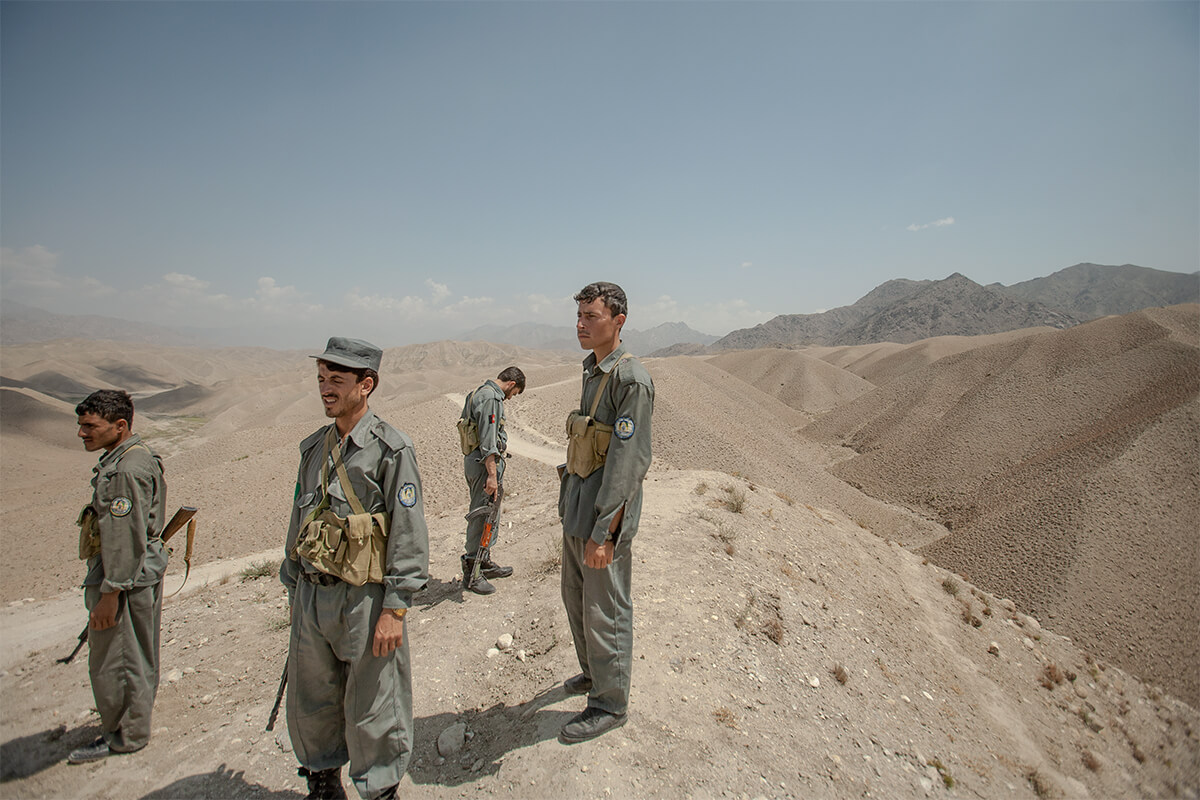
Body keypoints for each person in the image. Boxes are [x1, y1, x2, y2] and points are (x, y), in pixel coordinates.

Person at [280, 337, 429, 800]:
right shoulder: (314, 449)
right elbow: (299, 519)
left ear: (366, 385)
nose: (325, 389)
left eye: (336, 381)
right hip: (312, 596)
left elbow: (408, 533)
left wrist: (395, 609)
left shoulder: (391, 450)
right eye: (321, 379)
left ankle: (380, 787)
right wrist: (293, 585)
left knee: (374, 702)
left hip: (364, 599)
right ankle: (323, 780)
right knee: (313, 699)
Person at [557, 282, 654, 744]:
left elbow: (627, 462)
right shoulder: (593, 370)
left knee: (605, 609)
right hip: (578, 509)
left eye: (591, 316)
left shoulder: (629, 380)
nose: (581, 324)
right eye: (579, 315)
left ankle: (610, 703)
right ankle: (593, 673)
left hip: (602, 521)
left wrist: (606, 532)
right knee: (576, 600)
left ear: (618, 322)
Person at [69, 390, 168, 764]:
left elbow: (125, 536)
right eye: (81, 425)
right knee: (134, 655)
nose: (82, 433)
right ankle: (131, 726)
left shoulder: (127, 469)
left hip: (124, 581)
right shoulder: (128, 459)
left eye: (90, 425)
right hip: (131, 576)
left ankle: (126, 736)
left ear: (120, 425)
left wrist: (111, 592)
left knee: (119, 660)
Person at [458, 366, 525, 595]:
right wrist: (492, 475)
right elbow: (488, 442)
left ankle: (483, 561)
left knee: (489, 513)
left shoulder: (478, 392)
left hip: (475, 461)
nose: (509, 398)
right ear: (511, 385)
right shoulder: (491, 398)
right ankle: (472, 572)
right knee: (481, 513)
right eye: (513, 394)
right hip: (483, 464)